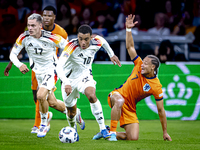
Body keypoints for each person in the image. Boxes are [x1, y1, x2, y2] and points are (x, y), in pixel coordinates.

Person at [4, 6, 84, 134]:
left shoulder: (53, 37)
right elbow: (13, 54)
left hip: (51, 71)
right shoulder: (24, 37)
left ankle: (43, 125)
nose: (30, 28)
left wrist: (74, 62)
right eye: (28, 25)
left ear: (40, 25)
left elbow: (69, 48)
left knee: (40, 95)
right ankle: (74, 111)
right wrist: (19, 64)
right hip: (37, 72)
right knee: (50, 102)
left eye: (33, 26)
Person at [102, 14, 172, 141]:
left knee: (133, 138)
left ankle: (106, 132)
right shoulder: (138, 65)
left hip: (130, 108)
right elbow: (130, 47)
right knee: (119, 101)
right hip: (117, 95)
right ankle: (112, 133)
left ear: (153, 68)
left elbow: (161, 110)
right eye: (143, 61)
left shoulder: (156, 86)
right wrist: (128, 30)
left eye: (146, 63)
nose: (142, 64)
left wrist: (165, 132)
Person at [56, 24, 121, 139]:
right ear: (77, 37)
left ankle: (102, 129)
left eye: (86, 39)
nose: (83, 42)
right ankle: (73, 128)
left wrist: (112, 54)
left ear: (91, 37)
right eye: (80, 39)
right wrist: (65, 82)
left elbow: (104, 42)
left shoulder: (97, 41)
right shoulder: (71, 46)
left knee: (91, 95)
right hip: (69, 80)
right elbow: (59, 66)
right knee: (71, 112)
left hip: (85, 76)